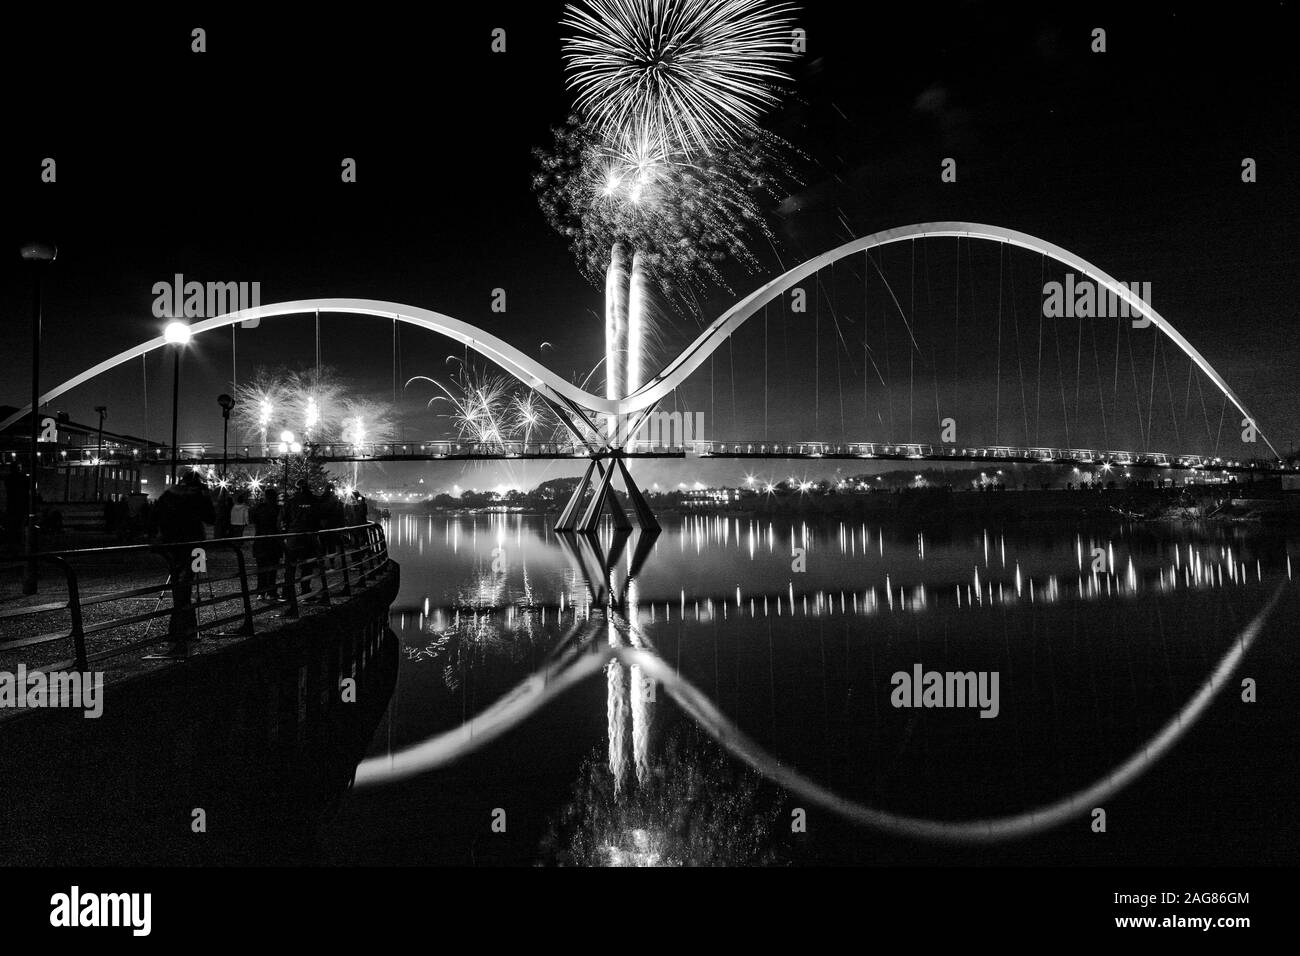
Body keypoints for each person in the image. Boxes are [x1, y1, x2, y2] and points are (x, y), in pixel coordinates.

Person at [153, 471, 215, 649]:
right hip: (195, 545)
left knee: (178, 584)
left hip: (172, 546)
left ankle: (182, 626)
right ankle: (184, 627)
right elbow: (211, 518)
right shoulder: (199, 496)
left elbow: (155, 516)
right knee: (188, 583)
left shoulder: (168, 495)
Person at [283, 479, 323, 599]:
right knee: (307, 566)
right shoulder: (315, 501)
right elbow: (320, 517)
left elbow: (282, 518)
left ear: (297, 488)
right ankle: (306, 592)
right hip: (309, 537)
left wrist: (285, 533)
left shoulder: (291, 501)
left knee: (290, 566)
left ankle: (287, 592)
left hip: (294, 537)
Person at [251, 487, 282, 601]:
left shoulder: (259, 508)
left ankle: (260, 592)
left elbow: (254, 521)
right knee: (272, 568)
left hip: (260, 541)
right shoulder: (278, 509)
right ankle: (271, 592)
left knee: (261, 568)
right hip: (274, 541)